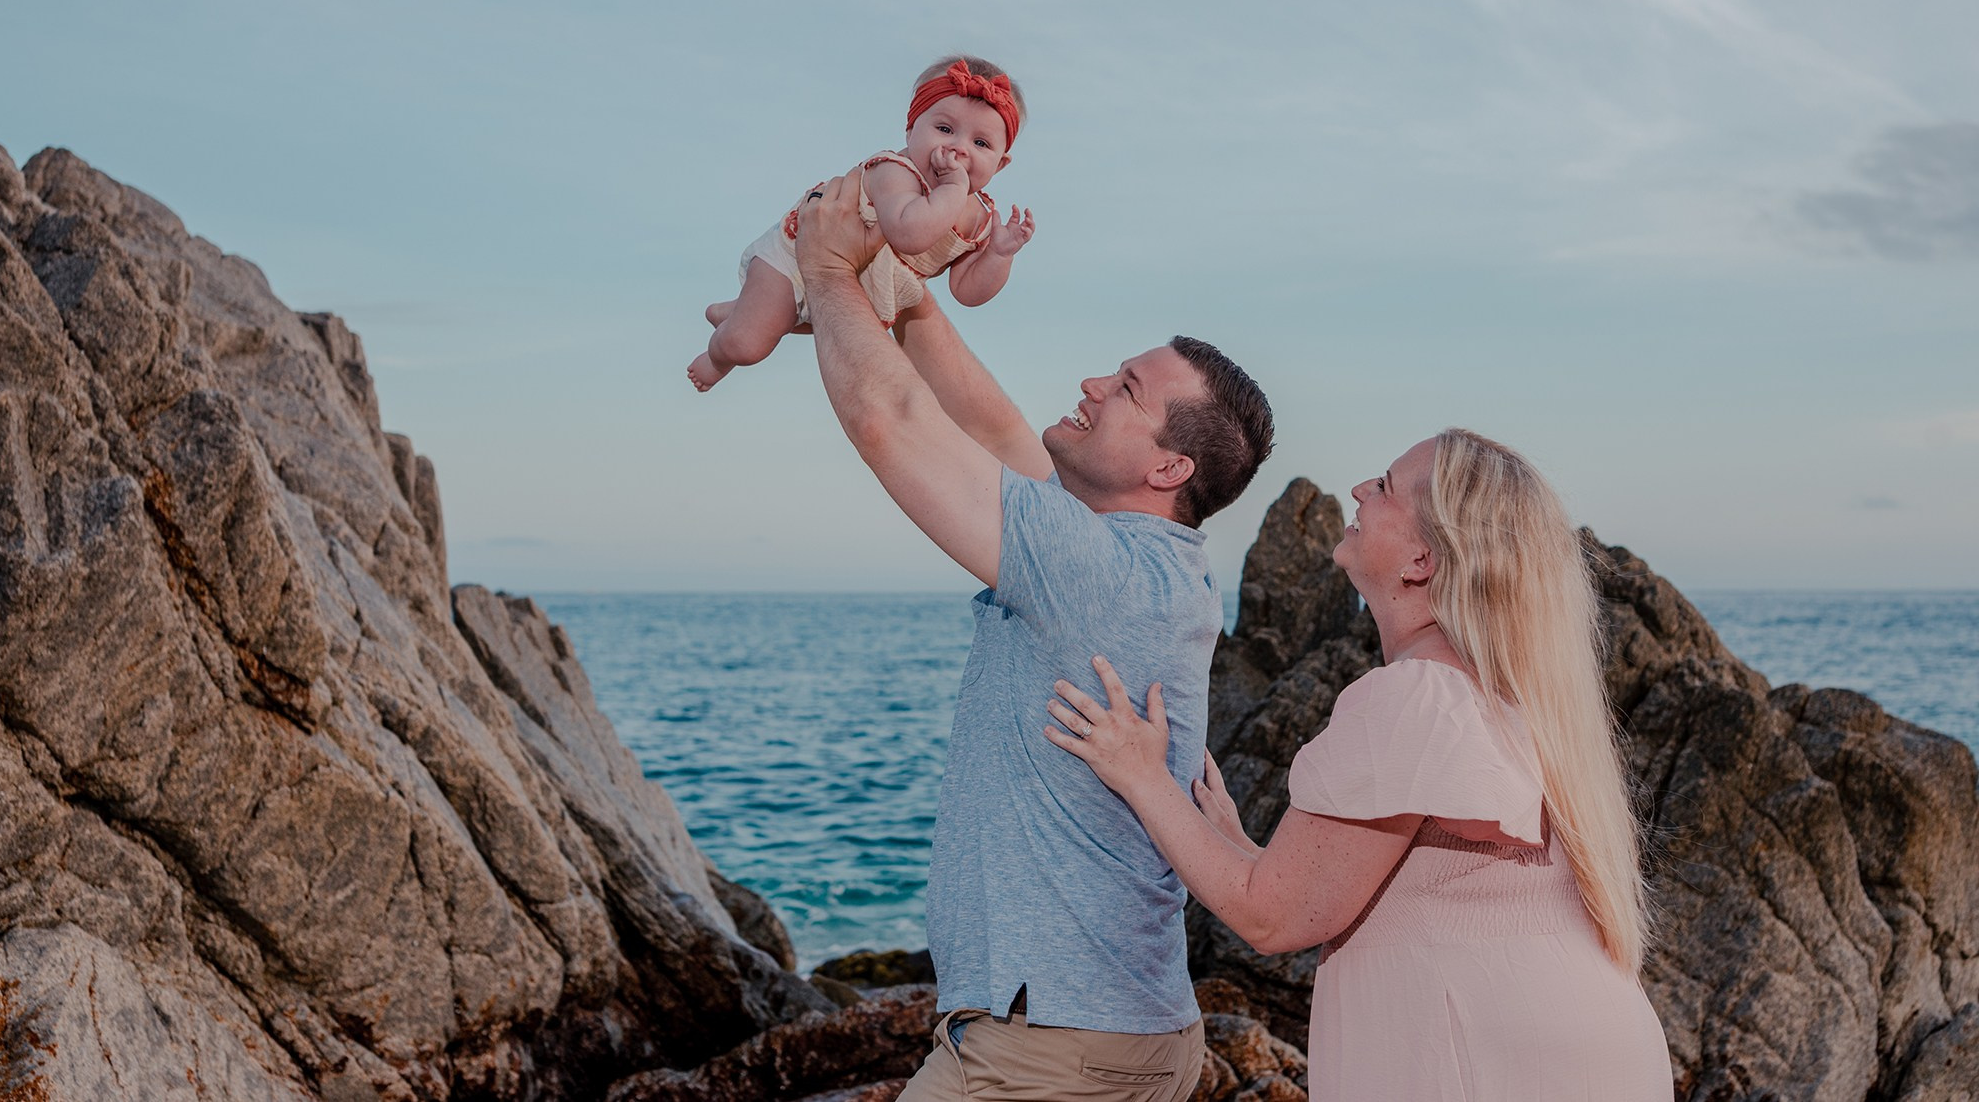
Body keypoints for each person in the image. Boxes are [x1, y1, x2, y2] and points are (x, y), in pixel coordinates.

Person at [790, 168, 1275, 1101]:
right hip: (1117, 1029)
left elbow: (890, 422)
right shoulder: (1145, 561)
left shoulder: (1095, 571)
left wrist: (825, 264)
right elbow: (997, 423)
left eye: (1127, 388)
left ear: (1169, 464)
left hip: (1046, 1050)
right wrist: (904, 293)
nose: (1094, 380)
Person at [1046, 429, 1676, 1099]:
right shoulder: (1512, 700)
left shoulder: (1414, 696)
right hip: (1591, 1053)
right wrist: (1234, 843)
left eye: (1385, 486)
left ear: (1421, 559)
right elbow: (1380, 890)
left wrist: (1140, 773)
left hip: (1488, 1065)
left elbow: (1273, 920)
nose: (1358, 491)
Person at [686, 55, 1036, 391]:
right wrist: (955, 187)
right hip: (797, 261)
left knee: (798, 322)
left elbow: (967, 292)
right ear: (911, 129)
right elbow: (909, 234)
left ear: (1000, 164)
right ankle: (718, 357)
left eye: (980, 143)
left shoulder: (978, 217)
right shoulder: (895, 173)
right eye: (945, 129)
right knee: (749, 344)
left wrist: (998, 256)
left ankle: (740, 309)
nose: (959, 149)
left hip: (852, 292)